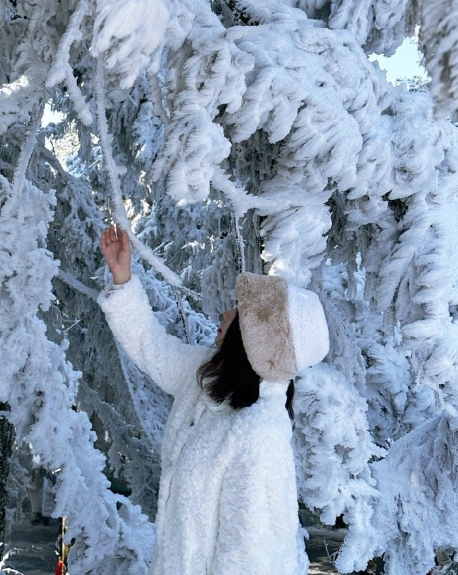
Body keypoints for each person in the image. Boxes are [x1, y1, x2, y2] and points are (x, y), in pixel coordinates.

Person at [98, 225, 330, 574]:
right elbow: (152, 348)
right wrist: (123, 277)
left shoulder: (260, 434)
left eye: (238, 309)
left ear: (257, 335)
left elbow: (248, 559)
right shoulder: (209, 379)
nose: (225, 313)